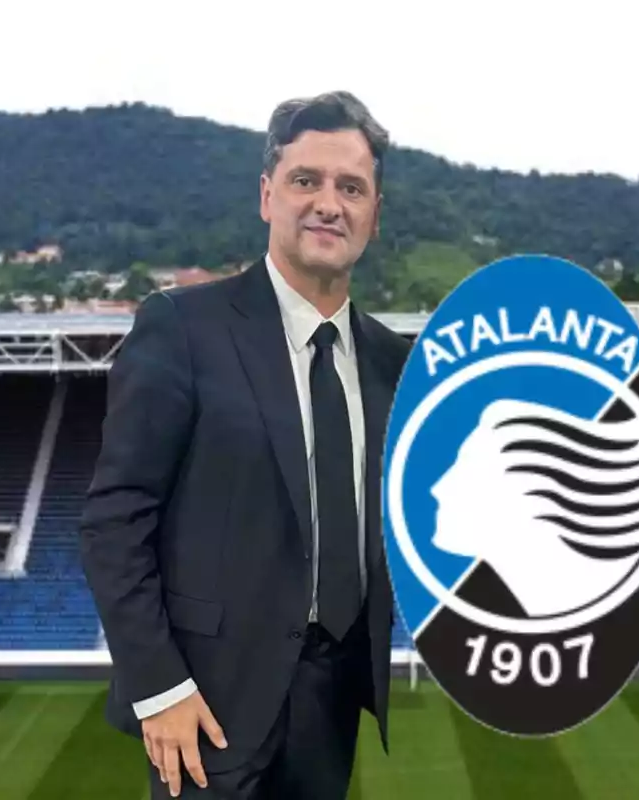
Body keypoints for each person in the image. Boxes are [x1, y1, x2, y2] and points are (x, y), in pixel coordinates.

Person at [79, 90, 411, 799]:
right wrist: (158, 687)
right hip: (204, 706)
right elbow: (115, 519)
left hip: (331, 704)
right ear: (267, 196)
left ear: (374, 215)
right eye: (306, 181)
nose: (329, 202)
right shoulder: (183, 326)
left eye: (351, 187)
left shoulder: (392, 360)